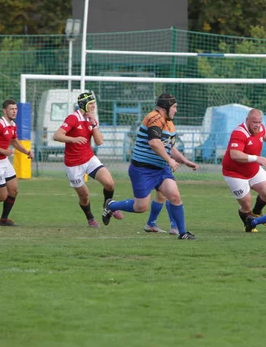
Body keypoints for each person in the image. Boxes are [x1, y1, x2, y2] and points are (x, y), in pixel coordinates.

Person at [102, 93, 198, 240]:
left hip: (161, 169)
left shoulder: (169, 124)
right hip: (143, 170)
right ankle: (111, 205)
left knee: (175, 196)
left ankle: (183, 233)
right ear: (166, 107)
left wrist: (185, 161)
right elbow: (154, 143)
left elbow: (170, 147)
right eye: (174, 107)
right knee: (141, 207)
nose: (176, 110)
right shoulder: (154, 118)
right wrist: (170, 161)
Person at [53, 92, 123, 228]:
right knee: (84, 196)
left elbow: (99, 142)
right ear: (83, 105)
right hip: (73, 164)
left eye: (94, 104)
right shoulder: (73, 118)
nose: (93, 107)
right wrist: (73, 139)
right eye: (90, 104)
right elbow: (57, 136)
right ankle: (90, 217)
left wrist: (94, 124)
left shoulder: (91, 120)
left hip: (89, 158)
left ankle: (107, 206)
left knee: (110, 183)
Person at [222, 109, 266, 231]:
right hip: (235, 173)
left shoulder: (260, 128)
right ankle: (249, 222)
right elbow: (234, 154)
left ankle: (256, 213)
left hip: (253, 170)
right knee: (246, 204)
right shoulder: (239, 133)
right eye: (254, 122)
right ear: (247, 121)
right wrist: (256, 158)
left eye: (259, 122)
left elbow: (265, 134)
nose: (257, 125)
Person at [0, 99, 34, 226]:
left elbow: (15, 142)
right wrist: (4, 151)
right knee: (1, 196)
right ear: (5, 111)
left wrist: (26, 152)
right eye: (11, 109)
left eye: (16, 109)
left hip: (4, 162)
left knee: (14, 190)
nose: (14, 111)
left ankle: (4, 220)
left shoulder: (13, 125)